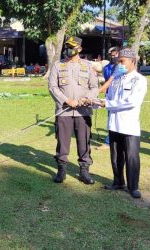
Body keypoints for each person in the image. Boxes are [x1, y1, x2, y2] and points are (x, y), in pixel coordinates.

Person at [48, 36, 99, 184]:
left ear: (79, 49)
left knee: (84, 142)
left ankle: (84, 172)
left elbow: (94, 87)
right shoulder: (58, 65)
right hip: (64, 111)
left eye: (72, 46)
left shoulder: (88, 66)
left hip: (83, 111)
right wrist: (66, 100)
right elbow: (52, 87)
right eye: (67, 46)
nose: (69, 49)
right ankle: (61, 171)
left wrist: (86, 98)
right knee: (63, 142)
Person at [100, 48, 147, 198]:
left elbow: (131, 102)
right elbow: (109, 98)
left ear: (133, 61)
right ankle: (118, 181)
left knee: (131, 157)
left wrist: (106, 104)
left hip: (129, 125)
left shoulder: (139, 80)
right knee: (115, 156)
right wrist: (95, 102)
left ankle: (133, 187)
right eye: (118, 61)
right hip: (114, 124)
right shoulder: (117, 79)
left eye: (122, 61)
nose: (119, 64)